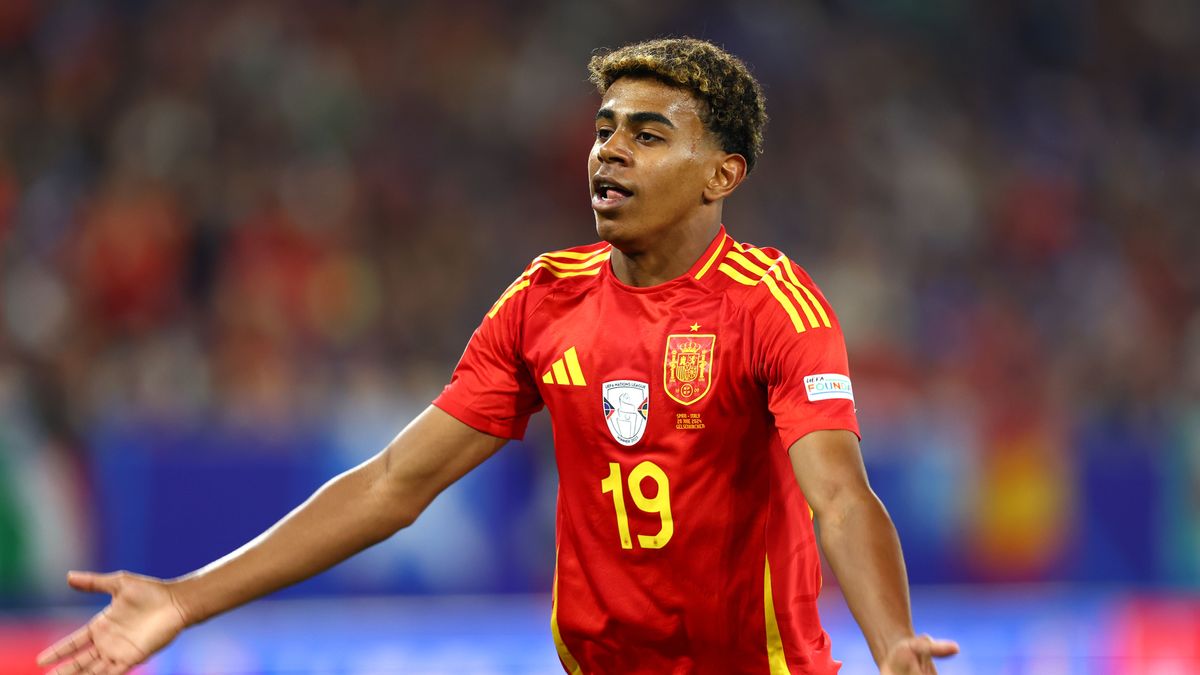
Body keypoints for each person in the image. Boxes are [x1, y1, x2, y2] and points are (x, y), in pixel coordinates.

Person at [38, 37, 958, 675]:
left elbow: (839, 493)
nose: (610, 152)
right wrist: (184, 598)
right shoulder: (545, 298)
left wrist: (891, 643)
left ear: (723, 175)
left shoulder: (772, 305)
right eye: (605, 129)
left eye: (648, 135)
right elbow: (396, 481)